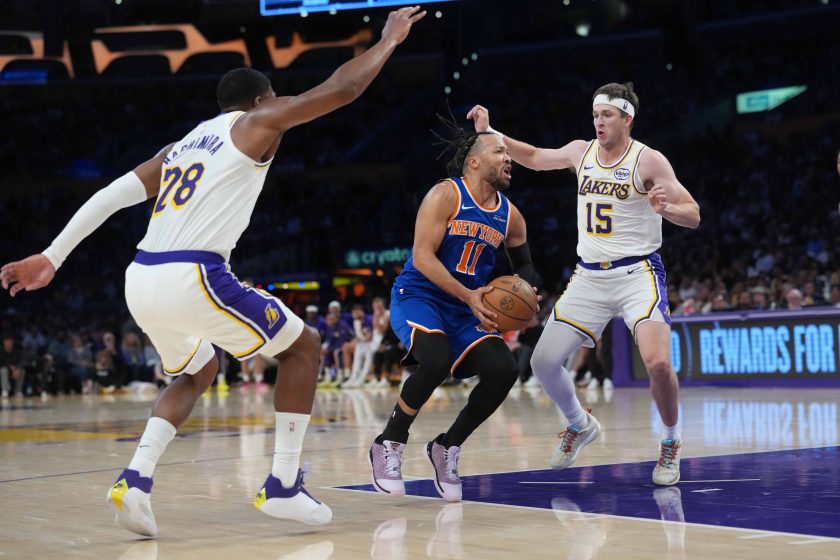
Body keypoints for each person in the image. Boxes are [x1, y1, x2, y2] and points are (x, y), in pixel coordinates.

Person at [0, 6, 425, 536]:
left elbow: (110, 196)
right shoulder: (257, 121)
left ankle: (135, 479)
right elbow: (341, 90)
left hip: (141, 276)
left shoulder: (178, 147)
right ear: (261, 100)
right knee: (304, 347)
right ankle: (284, 483)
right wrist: (388, 40)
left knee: (196, 371)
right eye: (276, 103)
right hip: (192, 274)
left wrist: (52, 256)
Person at [468, 81, 701, 486]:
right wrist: (491, 134)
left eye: (607, 115)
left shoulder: (649, 161)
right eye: (595, 114)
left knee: (659, 363)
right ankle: (579, 424)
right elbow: (537, 158)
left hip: (637, 273)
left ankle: (670, 440)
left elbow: (694, 214)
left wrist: (668, 209)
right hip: (590, 276)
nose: (599, 121)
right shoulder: (581, 151)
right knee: (542, 362)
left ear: (627, 118)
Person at [368, 115, 538, 502]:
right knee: (435, 359)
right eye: (500, 151)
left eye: (509, 153)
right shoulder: (446, 195)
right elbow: (423, 258)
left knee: (504, 369)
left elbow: (524, 266)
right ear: (474, 161)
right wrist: (469, 296)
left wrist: (529, 291)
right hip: (420, 295)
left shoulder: (510, 215)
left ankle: (447, 446)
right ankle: (389, 442)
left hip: (468, 307)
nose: (509, 158)